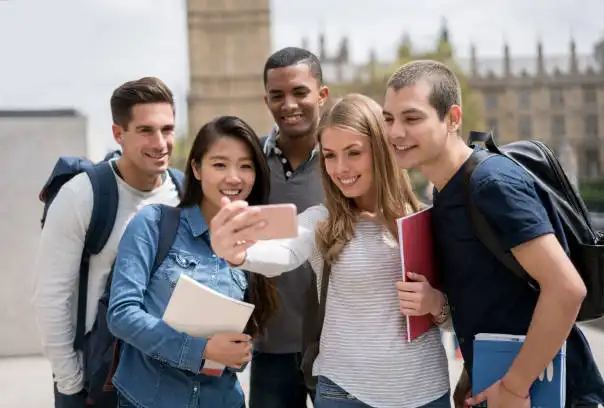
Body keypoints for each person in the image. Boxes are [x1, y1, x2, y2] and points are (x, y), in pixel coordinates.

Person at [382, 60, 604, 408]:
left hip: (552, 391)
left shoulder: (491, 184)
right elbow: (494, 298)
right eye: (388, 119)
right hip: (499, 384)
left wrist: (515, 388)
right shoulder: (445, 192)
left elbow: (566, 289)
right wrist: (472, 375)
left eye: (411, 118)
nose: (395, 132)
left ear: (453, 118)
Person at [210, 94, 452, 408]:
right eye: (330, 155)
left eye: (354, 153)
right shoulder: (321, 221)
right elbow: (284, 253)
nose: (341, 168)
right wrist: (238, 255)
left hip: (425, 394)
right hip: (344, 394)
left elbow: (460, 318)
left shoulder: (426, 221)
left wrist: (435, 303)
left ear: (381, 150)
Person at [106, 116, 279, 408]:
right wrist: (200, 350)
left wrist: (237, 354)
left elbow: (244, 339)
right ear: (197, 168)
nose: (234, 177)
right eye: (220, 164)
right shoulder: (154, 224)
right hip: (148, 400)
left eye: (246, 166)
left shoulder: (256, 248)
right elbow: (121, 314)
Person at [32, 77, 183, 407]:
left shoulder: (184, 194)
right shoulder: (83, 195)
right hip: (97, 383)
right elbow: (51, 296)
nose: (161, 142)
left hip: (168, 379)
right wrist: (71, 384)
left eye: (167, 129)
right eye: (146, 130)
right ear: (119, 134)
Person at [250, 46, 329, 408]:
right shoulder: (249, 165)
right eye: (277, 95)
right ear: (266, 101)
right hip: (270, 347)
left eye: (300, 92)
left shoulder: (347, 160)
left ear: (322, 95)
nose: (289, 104)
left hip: (337, 347)